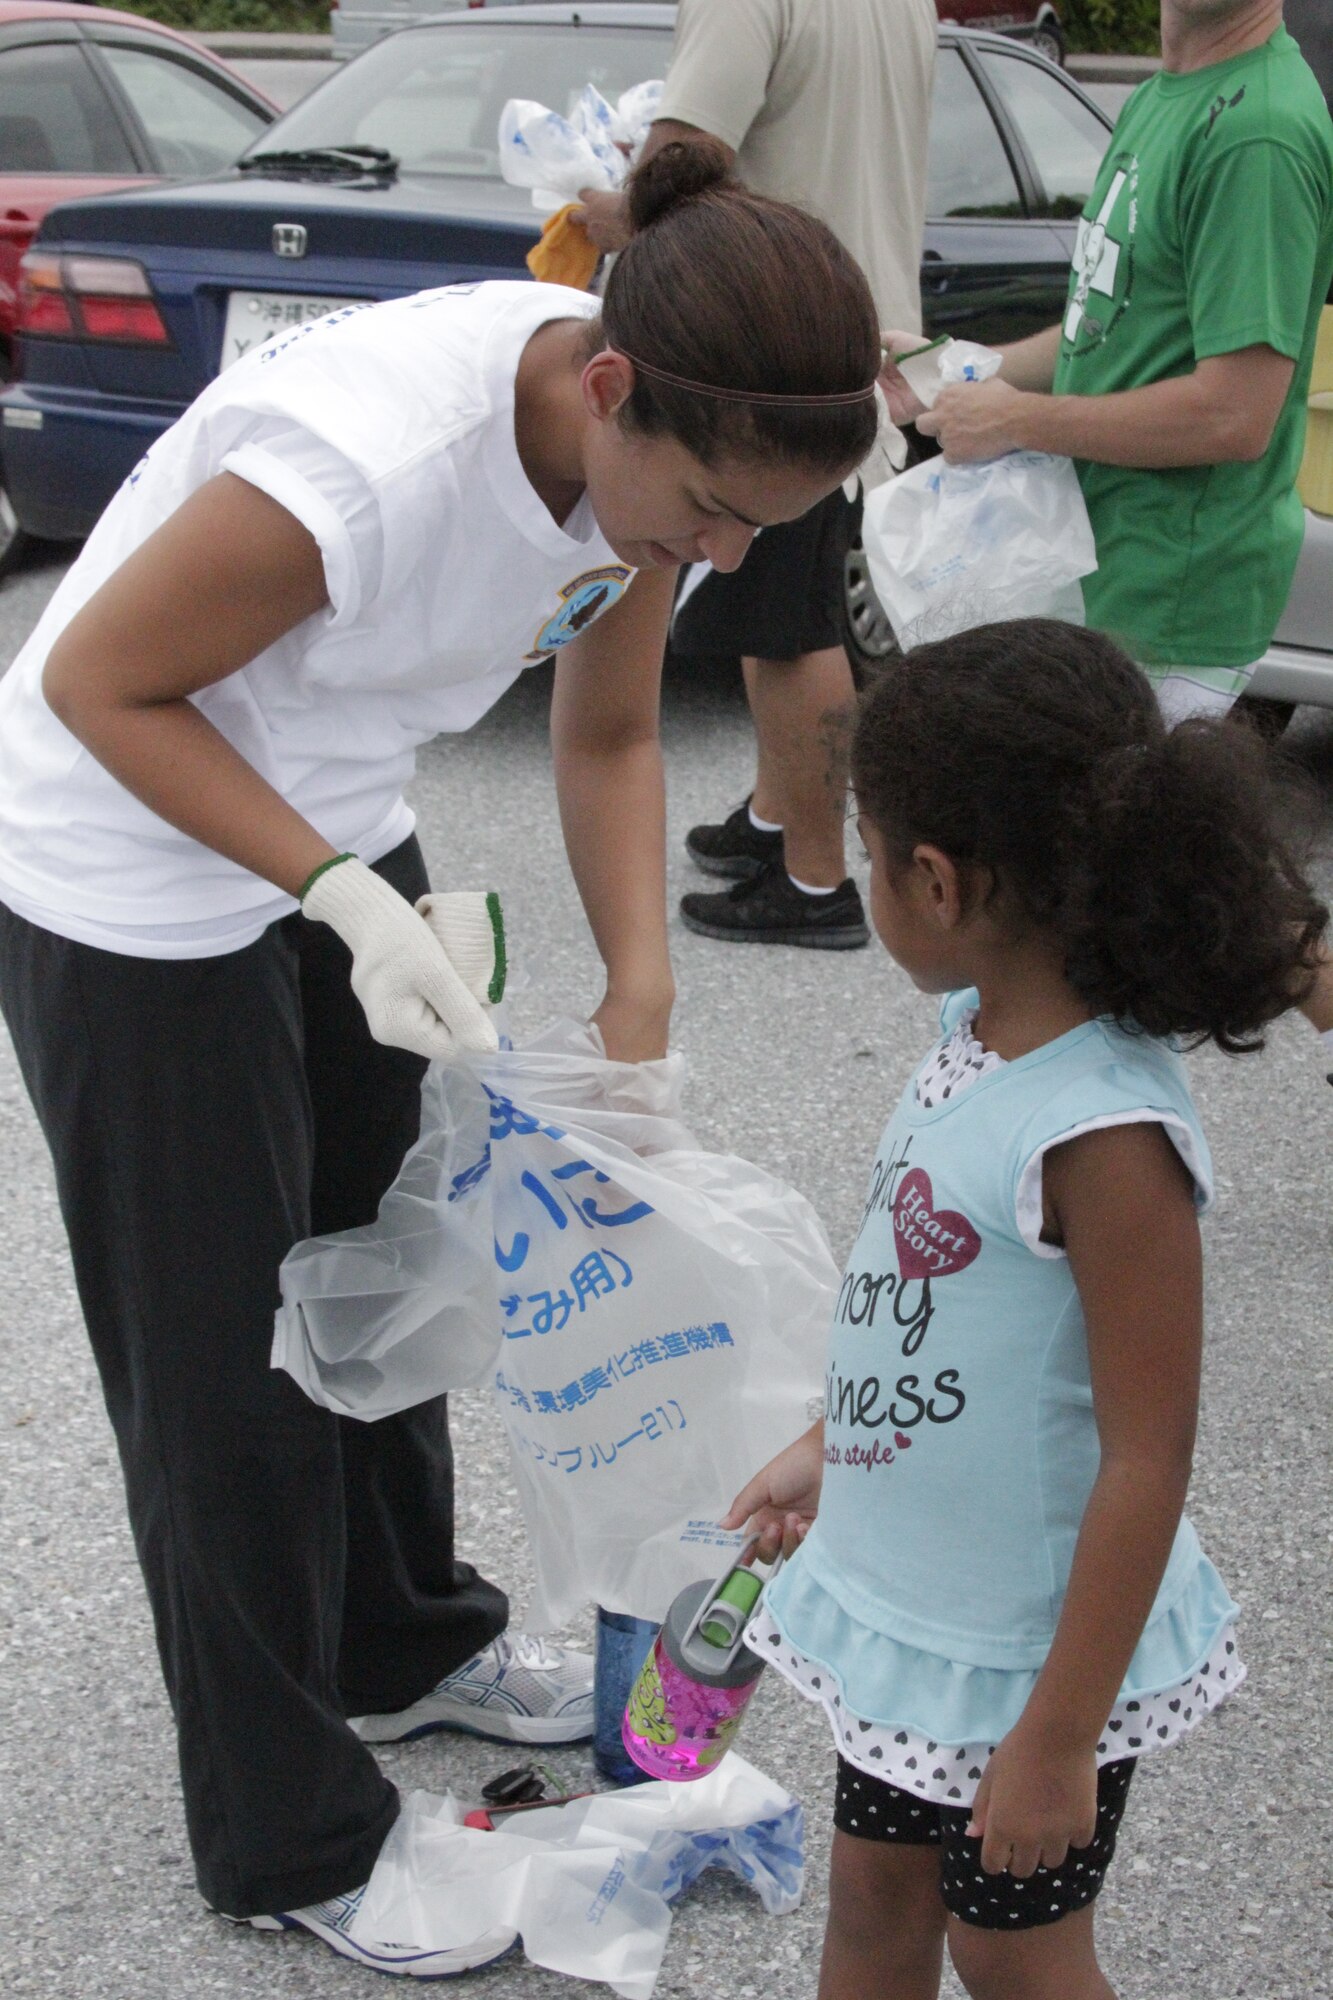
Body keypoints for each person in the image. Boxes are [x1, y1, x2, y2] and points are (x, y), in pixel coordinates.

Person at [0, 145, 882, 1975]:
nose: (710, 559)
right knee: (224, 1369)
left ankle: (396, 1644)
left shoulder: (654, 463)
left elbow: (616, 722)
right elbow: (99, 682)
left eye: (746, 536)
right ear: (612, 393)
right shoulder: (376, 465)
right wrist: (328, 886)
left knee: (400, 1265)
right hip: (125, 861)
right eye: (705, 513)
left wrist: (640, 985)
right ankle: (287, 1836)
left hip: (327, 825)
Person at [722, 620, 1326, 2000]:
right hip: (911, 1618)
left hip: (1028, 1660)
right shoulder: (974, 1034)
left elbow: (1146, 1452)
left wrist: (1058, 1733)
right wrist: (836, 1443)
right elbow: (930, 1306)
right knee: (873, 1902)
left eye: (870, 852)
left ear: (934, 879)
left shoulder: (1102, 1134)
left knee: (1015, 1951)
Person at [579, 0, 937, 950]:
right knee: (786, 600)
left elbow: (673, 175)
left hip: (762, 361)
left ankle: (815, 878)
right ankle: (775, 821)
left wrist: (592, 208)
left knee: (785, 626)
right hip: (854, 324)